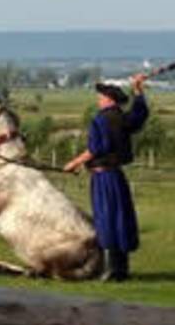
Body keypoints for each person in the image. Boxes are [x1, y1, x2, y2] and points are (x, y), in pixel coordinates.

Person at [64, 73, 149, 282]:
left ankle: (112, 271)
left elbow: (96, 148)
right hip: (116, 176)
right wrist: (138, 89)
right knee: (120, 219)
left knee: (107, 220)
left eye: (101, 97)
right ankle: (122, 270)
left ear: (109, 99)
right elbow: (140, 114)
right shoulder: (121, 117)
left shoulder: (100, 119)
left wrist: (73, 163)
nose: (98, 100)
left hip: (104, 178)